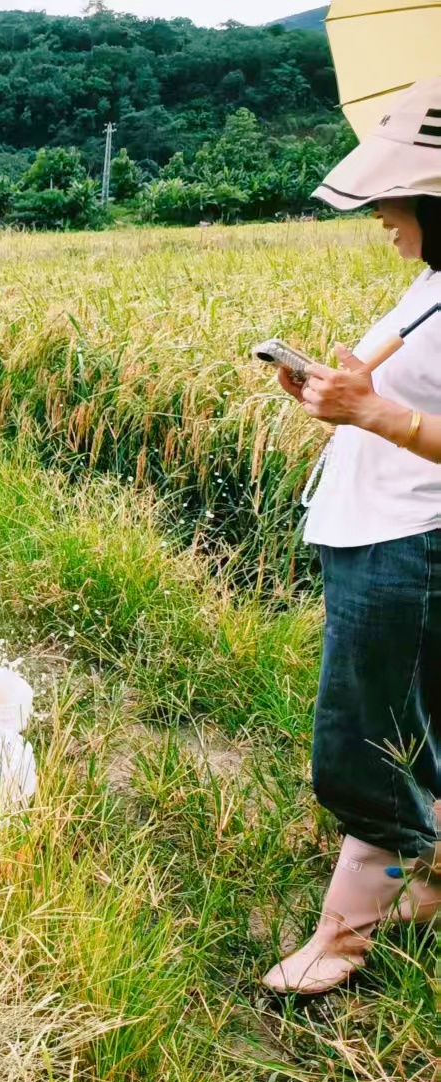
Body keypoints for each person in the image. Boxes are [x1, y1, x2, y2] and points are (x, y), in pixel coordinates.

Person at [260, 77, 441, 995]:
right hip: (375, 529)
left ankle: (344, 935)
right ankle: (420, 880)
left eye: (396, 197)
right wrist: (334, 395)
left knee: (363, 737)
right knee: (410, 727)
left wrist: (374, 413)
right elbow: (380, 390)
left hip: (412, 538)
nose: (383, 214)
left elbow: (399, 414)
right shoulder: (430, 285)